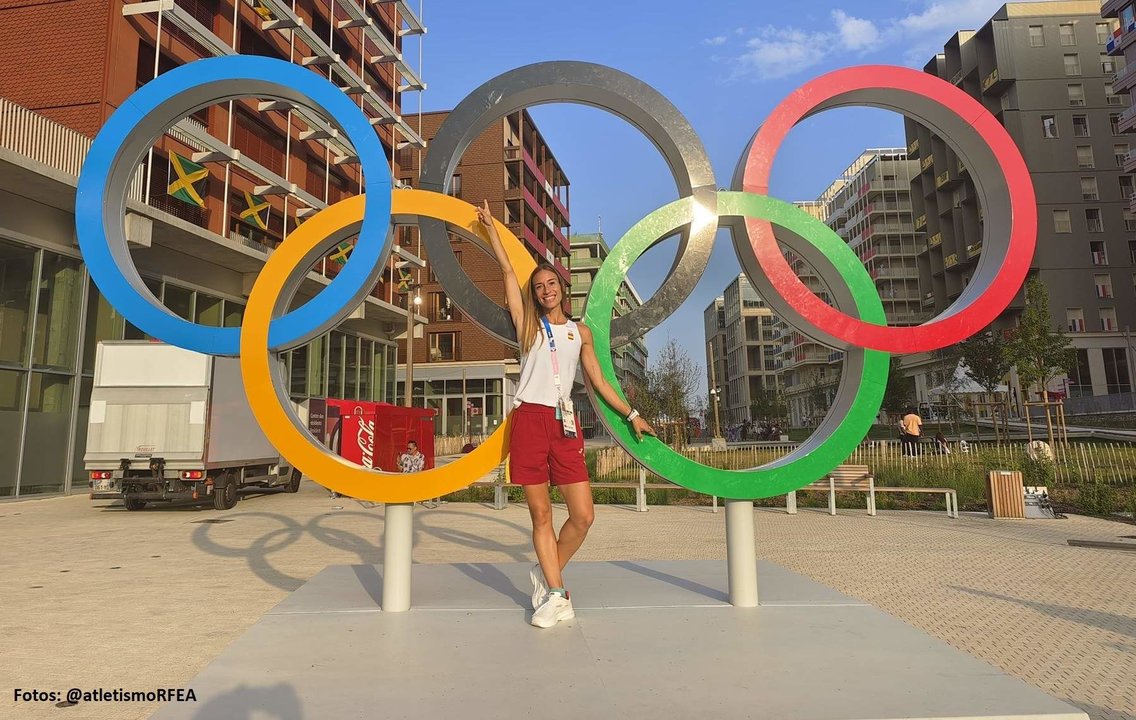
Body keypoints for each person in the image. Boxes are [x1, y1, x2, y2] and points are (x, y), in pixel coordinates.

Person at [476, 200, 656, 629]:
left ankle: (544, 572)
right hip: (529, 420)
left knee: (583, 516)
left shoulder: (581, 333)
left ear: (562, 286)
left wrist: (632, 414)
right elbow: (506, 274)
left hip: (564, 423)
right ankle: (557, 594)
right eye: (538, 287)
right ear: (534, 295)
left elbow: (599, 382)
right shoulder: (528, 327)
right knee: (541, 515)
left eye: (550, 283)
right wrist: (491, 233)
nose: (545, 290)